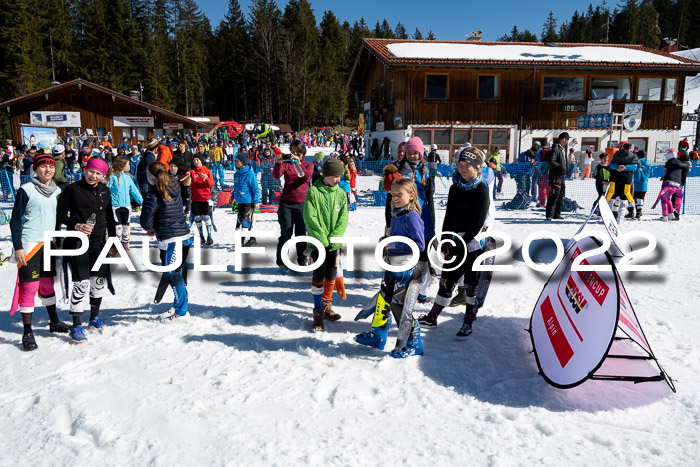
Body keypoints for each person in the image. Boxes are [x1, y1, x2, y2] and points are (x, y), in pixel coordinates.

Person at [417, 147, 490, 337]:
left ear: (477, 168)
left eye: (468, 165)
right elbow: (448, 216)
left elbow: (478, 222)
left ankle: (468, 322)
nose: (463, 168)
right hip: (455, 241)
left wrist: (462, 241)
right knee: (447, 281)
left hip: (473, 244)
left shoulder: (481, 190)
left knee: (471, 286)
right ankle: (432, 316)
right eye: (460, 164)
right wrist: (445, 240)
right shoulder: (455, 187)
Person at [355, 178, 425, 358]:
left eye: (399, 194)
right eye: (393, 194)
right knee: (383, 300)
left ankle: (414, 342)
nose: (395, 197)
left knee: (400, 307)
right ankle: (378, 335)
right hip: (392, 265)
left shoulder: (412, 216)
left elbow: (419, 244)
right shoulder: (397, 214)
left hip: (406, 267)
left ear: (411, 196)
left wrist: (393, 244)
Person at [9, 154, 70, 350]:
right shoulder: (26, 190)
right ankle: (27, 332)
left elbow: (58, 217)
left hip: (49, 244)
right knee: (29, 286)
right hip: (30, 244)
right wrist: (17, 246)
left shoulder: (56, 191)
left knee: (47, 284)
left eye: (51, 167)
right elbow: (16, 220)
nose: (48, 170)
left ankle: (54, 321)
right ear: (35, 169)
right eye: (43, 167)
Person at [57, 158, 117, 342]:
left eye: (99, 173)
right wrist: (75, 225)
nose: (94, 176)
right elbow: (60, 215)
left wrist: (113, 242)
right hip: (77, 243)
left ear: (103, 176)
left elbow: (109, 218)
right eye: (91, 171)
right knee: (81, 283)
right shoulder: (71, 189)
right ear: (85, 169)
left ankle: (94, 317)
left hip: (98, 242)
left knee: (98, 281)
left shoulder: (105, 191)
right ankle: (76, 325)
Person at [140, 162, 193, 322]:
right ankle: (179, 306)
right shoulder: (175, 184)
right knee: (179, 274)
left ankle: (182, 312)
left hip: (171, 239)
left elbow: (145, 222)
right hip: (184, 236)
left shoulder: (153, 195)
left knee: (174, 275)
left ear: (150, 178)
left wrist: (151, 227)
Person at [303, 158, 348, 332]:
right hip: (318, 242)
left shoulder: (340, 193)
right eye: (335, 176)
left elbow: (343, 217)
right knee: (319, 274)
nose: (338, 179)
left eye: (340, 176)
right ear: (325, 174)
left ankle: (327, 304)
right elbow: (310, 217)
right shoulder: (313, 192)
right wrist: (322, 238)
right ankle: (317, 312)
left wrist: (335, 237)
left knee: (331, 273)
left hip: (334, 243)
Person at [399, 136, 435, 303]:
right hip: (404, 219)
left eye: (416, 153)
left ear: (421, 154)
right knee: (406, 255)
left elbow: (430, 198)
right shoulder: (399, 172)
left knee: (423, 258)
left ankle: (423, 290)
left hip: (424, 220)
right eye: (410, 152)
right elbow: (390, 199)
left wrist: (432, 224)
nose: (412, 156)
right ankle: (405, 286)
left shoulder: (425, 172)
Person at [273, 139, 314, 273]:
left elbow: (306, 177)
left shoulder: (308, 164)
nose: (294, 154)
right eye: (293, 151)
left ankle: (302, 259)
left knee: (301, 233)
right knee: (286, 233)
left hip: (302, 203)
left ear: (303, 153)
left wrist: (298, 163)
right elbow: (276, 175)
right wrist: (278, 163)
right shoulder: (287, 164)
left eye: (298, 152)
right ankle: (282, 262)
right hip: (286, 203)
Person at [106, 156, 143, 249]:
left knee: (126, 227)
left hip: (126, 206)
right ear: (121, 165)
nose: (129, 166)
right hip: (115, 206)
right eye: (127, 164)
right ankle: (115, 246)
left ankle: (125, 245)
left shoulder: (127, 177)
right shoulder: (112, 177)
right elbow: (106, 190)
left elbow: (134, 190)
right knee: (117, 228)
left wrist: (141, 201)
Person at [606, 142, 640, 222]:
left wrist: (618, 167)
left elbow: (611, 165)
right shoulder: (633, 156)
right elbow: (636, 165)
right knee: (624, 200)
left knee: (612, 197)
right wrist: (625, 167)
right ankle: (620, 219)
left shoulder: (616, 154)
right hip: (627, 179)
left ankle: (610, 216)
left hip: (615, 178)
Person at [233, 152, 260, 246]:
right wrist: (232, 197)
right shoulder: (236, 174)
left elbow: (255, 189)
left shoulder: (250, 174)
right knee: (241, 221)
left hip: (248, 201)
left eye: (237, 161)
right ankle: (252, 238)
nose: (235, 162)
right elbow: (235, 187)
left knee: (245, 221)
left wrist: (256, 201)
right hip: (239, 201)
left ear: (243, 162)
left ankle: (241, 243)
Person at [655, 149, 690, 221]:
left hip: (669, 183)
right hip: (679, 184)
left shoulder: (671, 163)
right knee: (676, 200)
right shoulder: (683, 165)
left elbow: (672, 167)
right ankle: (672, 214)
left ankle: (666, 215)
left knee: (665, 199)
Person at [189, 153, 215, 245]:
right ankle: (201, 236)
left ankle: (209, 236)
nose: (196, 162)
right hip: (195, 199)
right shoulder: (192, 172)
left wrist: (207, 178)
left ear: (201, 161)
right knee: (197, 218)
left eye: (197, 160)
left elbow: (212, 184)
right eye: (194, 160)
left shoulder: (207, 171)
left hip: (205, 198)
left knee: (207, 218)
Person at [546, 132, 569, 220]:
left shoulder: (563, 149)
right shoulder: (556, 149)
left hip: (562, 176)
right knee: (554, 194)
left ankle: (557, 214)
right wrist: (560, 166)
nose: (567, 141)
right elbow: (551, 161)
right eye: (567, 139)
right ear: (563, 139)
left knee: (561, 195)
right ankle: (550, 214)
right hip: (556, 175)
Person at [626, 150, 651, 219]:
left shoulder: (635, 164)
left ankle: (631, 212)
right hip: (643, 184)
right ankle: (639, 212)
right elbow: (650, 174)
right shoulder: (648, 165)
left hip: (633, 184)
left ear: (638, 156)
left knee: (631, 198)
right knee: (640, 198)